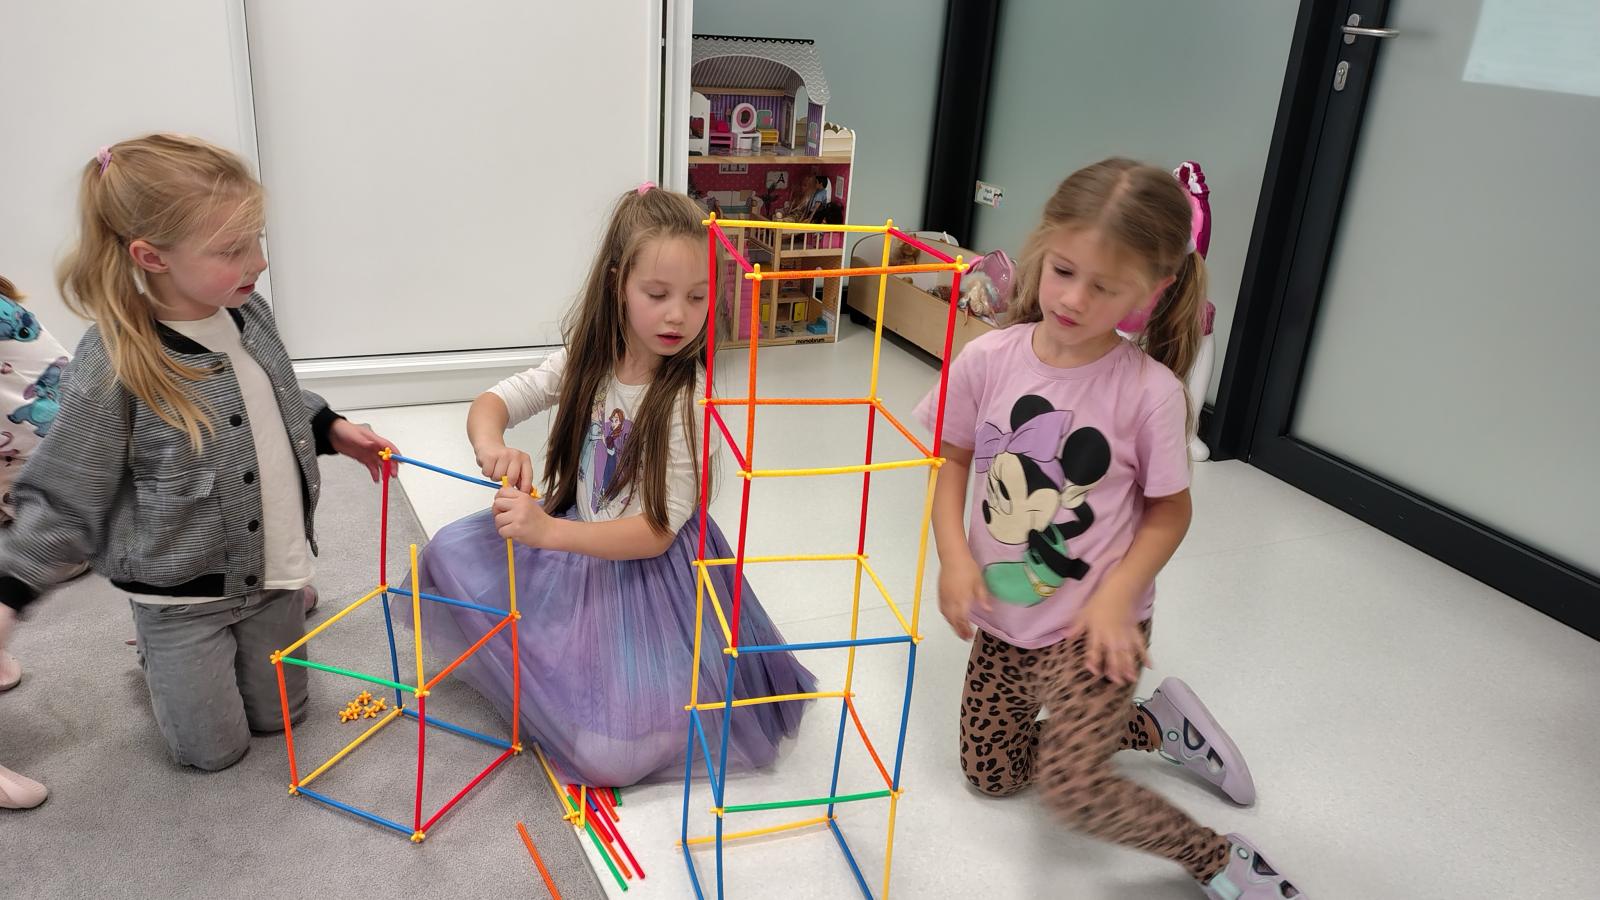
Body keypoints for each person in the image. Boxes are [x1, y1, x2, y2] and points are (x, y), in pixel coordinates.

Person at [920, 158, 1304, 898]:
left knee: (1074, 789)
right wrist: (953, 557)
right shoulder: (986, 359)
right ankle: (1156, 727)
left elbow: (1171, 511)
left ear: (1152, 291)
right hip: (1005, 620)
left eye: (1105, 287)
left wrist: (1118, 596)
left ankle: (1218, 861)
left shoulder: (1149, 393)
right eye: (1064, 271)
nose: (1073, 298)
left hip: (1098, 630)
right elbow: (954, 462)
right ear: (1043, 246)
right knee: (991, 775)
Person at [0, 134, 397, 773]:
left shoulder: (248, 312)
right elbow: (68, 489)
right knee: (215, 753)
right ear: (151, 256)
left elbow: (272, 396)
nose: (258, 261)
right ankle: (157, 652)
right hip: (180, 595)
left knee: (283, 719)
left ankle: (270, 614)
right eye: (231, 249)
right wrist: (11, 588)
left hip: (271, 572)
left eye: (257, 239)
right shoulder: (114, 357)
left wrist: (331, 427)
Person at [402, 184, 813, 787]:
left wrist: (548, 531)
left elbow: (654, 533)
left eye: (697, 297)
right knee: (446, 556)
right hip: (577, 542)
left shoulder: (689, 400)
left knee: (607, 758)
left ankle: (643, 702)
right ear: (619, 284)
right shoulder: (590, 360)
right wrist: (493, 447)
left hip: (652, 578)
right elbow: (495, 401)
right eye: (658, 294)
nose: (678, 315)